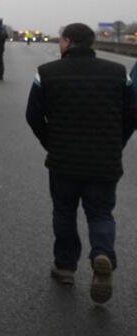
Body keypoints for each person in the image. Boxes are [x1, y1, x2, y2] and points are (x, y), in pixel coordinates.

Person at [25, 23, 137, 304]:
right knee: (100, 213)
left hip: (63, 161)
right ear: (92, 43)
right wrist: (116, 143)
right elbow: (132, 113)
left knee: (64, 212)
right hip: (104, 161)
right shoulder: (118, 73)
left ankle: (65, 267)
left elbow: (33, 115)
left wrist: (50, 142)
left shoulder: (47, 72)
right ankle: (102, 254)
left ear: (67, 42)